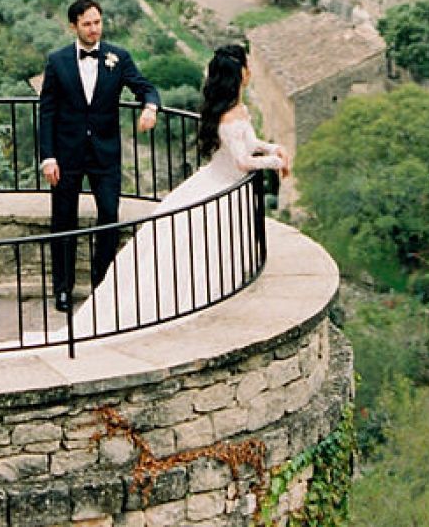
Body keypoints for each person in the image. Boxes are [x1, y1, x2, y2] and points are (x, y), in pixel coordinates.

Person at [72, 42, 289, 334]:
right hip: (220, 185)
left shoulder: (238, 110)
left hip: (222, 183)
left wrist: (273, 148)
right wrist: (275, 162)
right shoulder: (228, 116)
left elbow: (249, 144)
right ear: (242, 74)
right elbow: (242, 161)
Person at [37, 0, 161, 311]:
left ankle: (101, 284)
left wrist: (150, 107)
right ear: (74, 26)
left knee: (108, 216)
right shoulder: (57, 61)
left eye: (97, 22)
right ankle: (62, 289)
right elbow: (47, 111)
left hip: (105, 155)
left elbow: (145, 87)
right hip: (66, 155)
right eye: (87, 24)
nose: (94, 29)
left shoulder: (119, 57)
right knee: (63, 220)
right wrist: (48, 157)